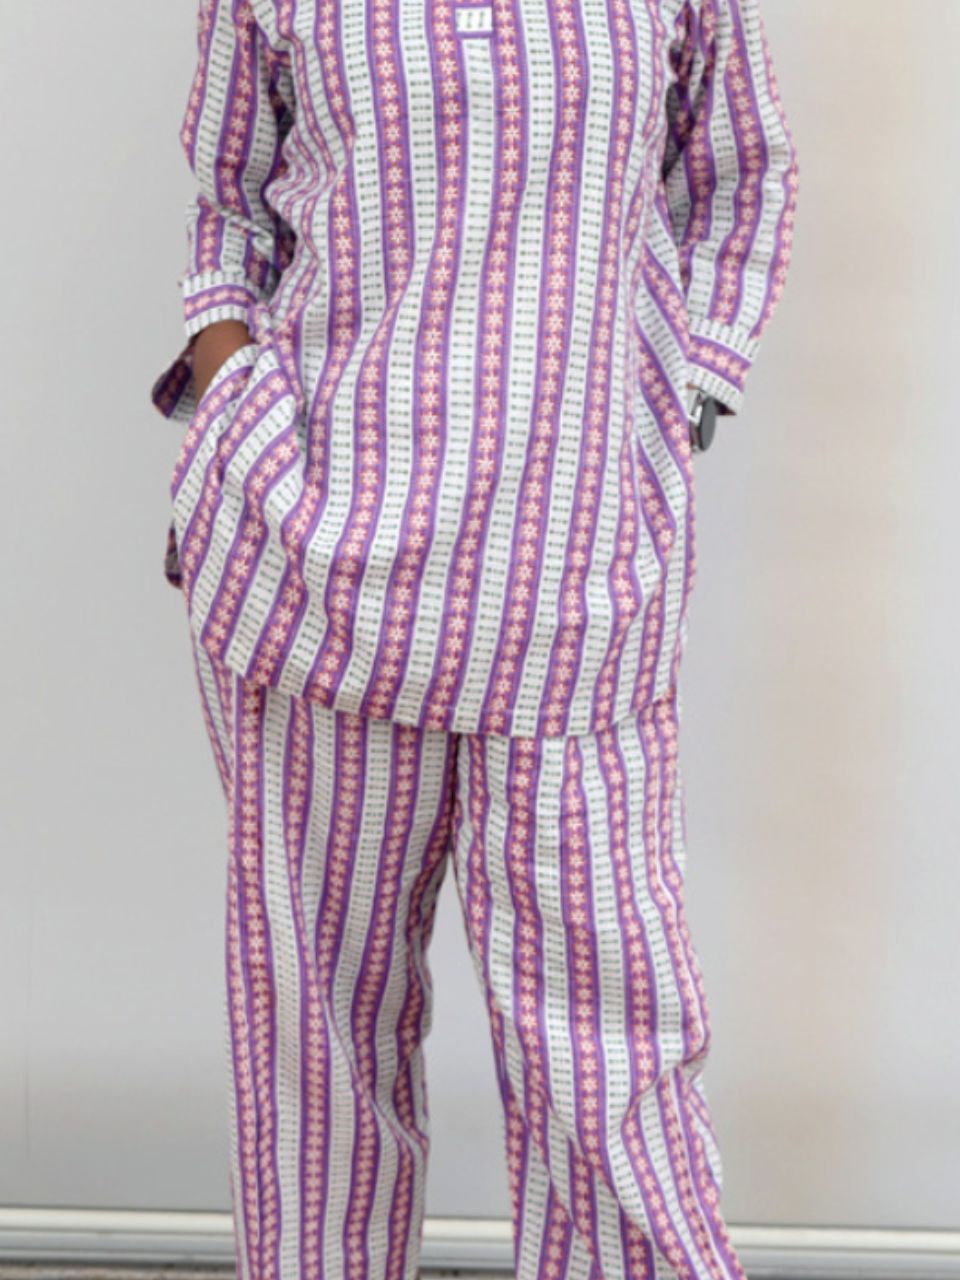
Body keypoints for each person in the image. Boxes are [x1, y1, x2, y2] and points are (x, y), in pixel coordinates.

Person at [150, 0, 799, 1276]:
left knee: (609, 1045)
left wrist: (675, 399)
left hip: (577, 581)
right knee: (318, 1041)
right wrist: (236, 405)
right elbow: (229, 210)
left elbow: (742, 172)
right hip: (310, 567)